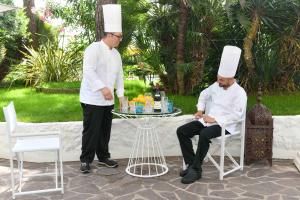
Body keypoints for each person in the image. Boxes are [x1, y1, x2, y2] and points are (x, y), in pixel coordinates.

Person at [176, 46, 247, 184]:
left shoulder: (240, 93)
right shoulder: (216, 85)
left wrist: (215, 119)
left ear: (230, 78)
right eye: (218, 78)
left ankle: (196, 170)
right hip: (207, 121)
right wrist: (200, 110)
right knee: (182, 131)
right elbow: (204, 94)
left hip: (226, 125)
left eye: (222, 80)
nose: (218, 82)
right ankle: (192, 165)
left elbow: (237, 115)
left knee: (204, 134)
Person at [79, 4, 124, 173]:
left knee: (105, 130)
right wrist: (103, 88)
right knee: (92, 131)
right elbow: (88, 71)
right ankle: (85, 160)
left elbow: (120, 75)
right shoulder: (94, 48)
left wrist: (120, 95)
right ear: (110, 35)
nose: (120, 40)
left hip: (109, 101)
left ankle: (104, 157)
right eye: (119, 37)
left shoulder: (117, 54)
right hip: (92, 98)